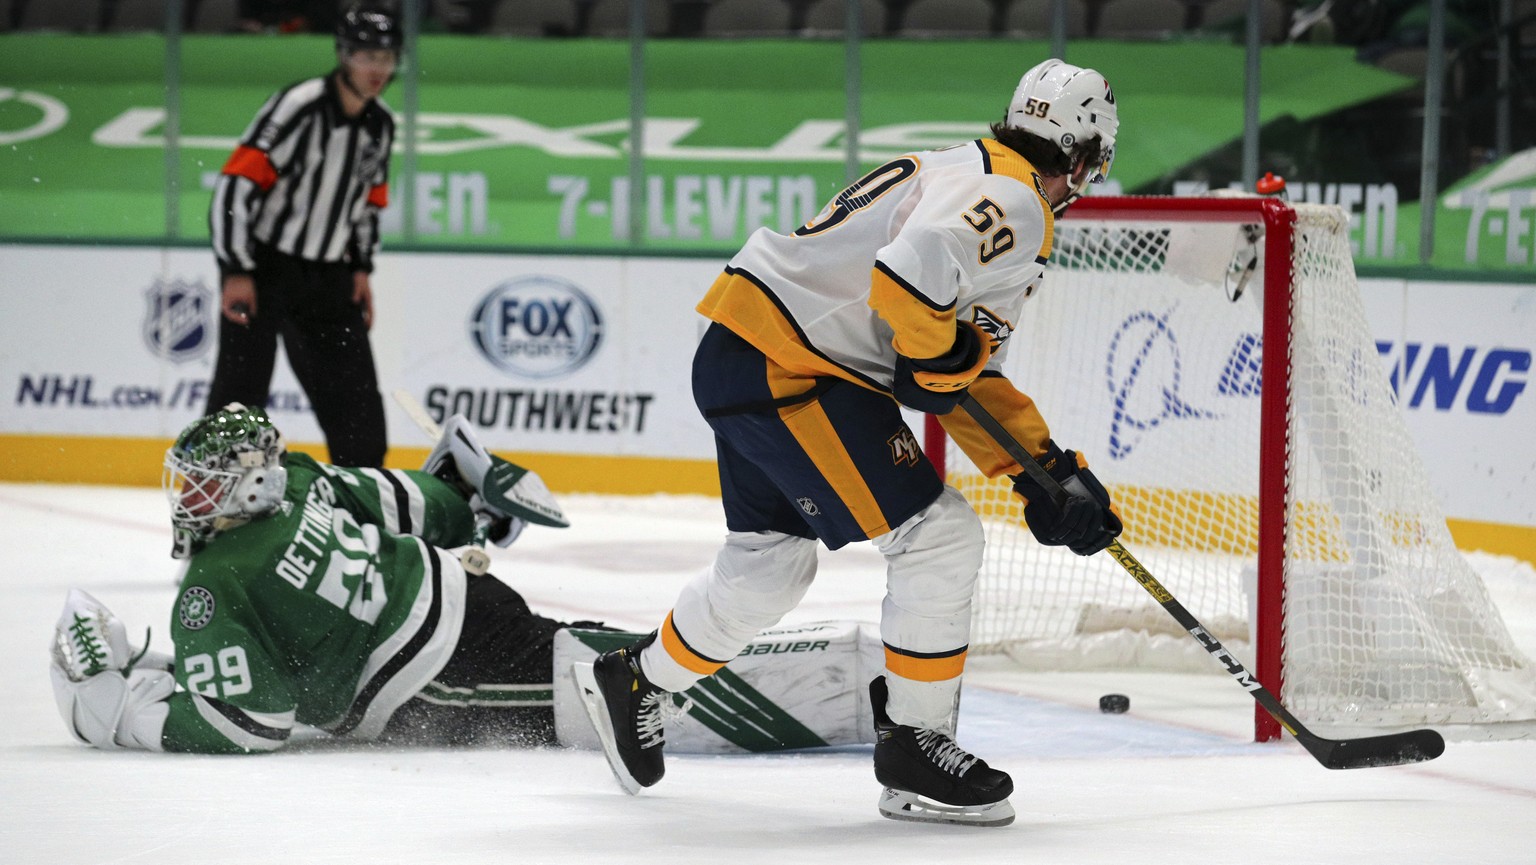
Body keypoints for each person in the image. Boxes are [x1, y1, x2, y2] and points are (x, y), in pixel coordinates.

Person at [574, 59, 1124, 828]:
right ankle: (914, 745)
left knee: (768, 567)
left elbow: (958, 370)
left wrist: (1043, 468)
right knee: (940, 539)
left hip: (744, 346)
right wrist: (938, 360)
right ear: (1080, 153)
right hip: (794, 367)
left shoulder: (964, 169)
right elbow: (907, 289)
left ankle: (638, 678)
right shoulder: (1015, 200)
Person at [49, 405, 884, 755]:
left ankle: (846, 688)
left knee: (599, 688)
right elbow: (403, 498)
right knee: (592, 653)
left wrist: (120, 709)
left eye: (205, 481)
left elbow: (248, 720)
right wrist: (472, 503)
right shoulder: (300, 478)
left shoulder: (211, 588)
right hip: (464, 596)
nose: (190, 498)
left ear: (247, 480)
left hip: (430, 681)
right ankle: (856, 671)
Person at [205, 2, 400, 468]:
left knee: (359, 416)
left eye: (387, 58)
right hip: (266, 268)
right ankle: (213, 509)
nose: (378, 69)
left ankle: (364, 518)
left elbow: (368, 202)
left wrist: (360, 268)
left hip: (330, 277)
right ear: (343, 55)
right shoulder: (301, 106)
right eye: (366, 57)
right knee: (237, 407)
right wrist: (236, 268)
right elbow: (235, 184)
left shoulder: (380, 124)